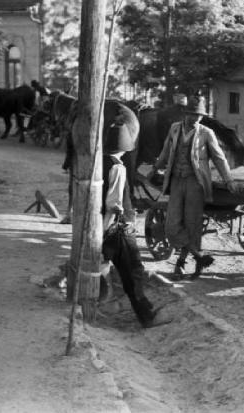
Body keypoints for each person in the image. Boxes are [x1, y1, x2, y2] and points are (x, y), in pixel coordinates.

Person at [149, 96, 239, 281]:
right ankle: (198, 257)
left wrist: (228, 180)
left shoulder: (206, 133)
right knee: (171, 226)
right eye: (193, 114)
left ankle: (181, 264)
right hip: (176, 181)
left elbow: (219, 158)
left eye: (199, 115)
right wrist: (155, 169)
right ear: (185, 113)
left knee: (193, 225)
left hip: (195, 183)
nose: (196, 118)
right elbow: (166, 152)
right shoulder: (174, 128)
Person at [102, 120, 171, 328]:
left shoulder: (100, 162)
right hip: (116, 227)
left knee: (100, 268)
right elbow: (113, 202)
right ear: (126, 147)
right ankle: (147, 316)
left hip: (100, 226)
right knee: (134, 272)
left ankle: (103, 308)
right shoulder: (118, 167)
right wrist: (123, 219)